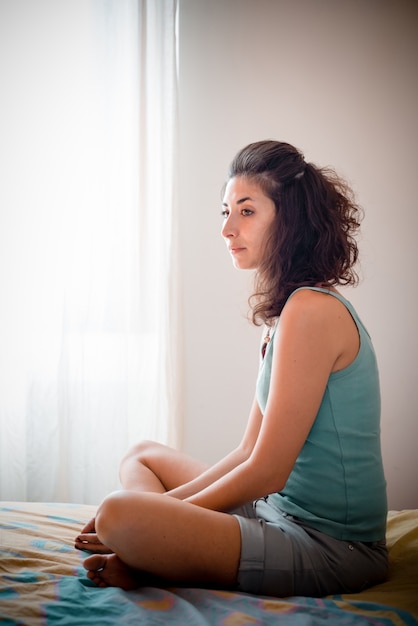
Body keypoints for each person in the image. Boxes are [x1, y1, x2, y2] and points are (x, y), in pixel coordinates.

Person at [75, 140, 388, 597]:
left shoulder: (312, 311)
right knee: (140, 455)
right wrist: (169, 516)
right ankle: (153, 546)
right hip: (274, 510)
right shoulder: (289, 314)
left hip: (333, 547)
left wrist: (165, 520)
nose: (226, 229)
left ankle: (149, 554)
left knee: (120, 514)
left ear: (290, 218)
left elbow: (267, 471)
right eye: (225, 211)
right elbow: (247, 451)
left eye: (245, 211)